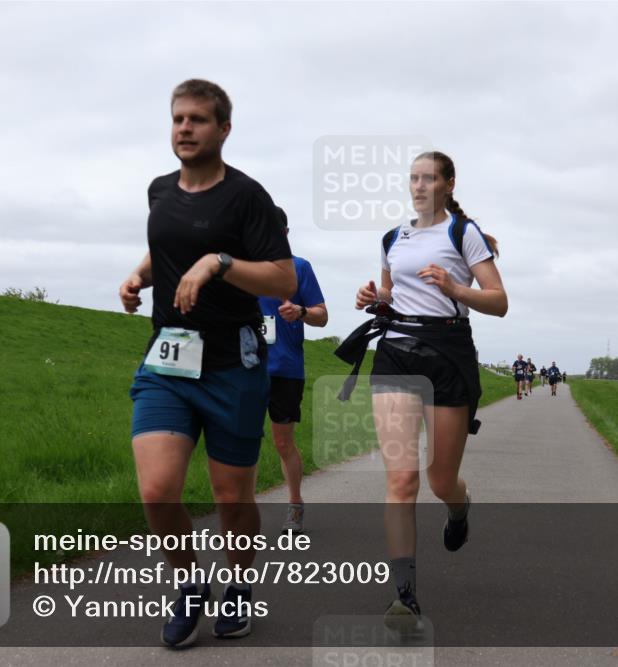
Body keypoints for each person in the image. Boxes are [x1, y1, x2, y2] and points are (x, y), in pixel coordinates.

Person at [118, 79, 296, 649]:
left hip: (231, 366)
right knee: (157, 490)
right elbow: (167, 243)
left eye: (197, 119)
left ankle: (240, 587)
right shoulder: (158, 190)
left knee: (230, 498)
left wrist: (218, 262)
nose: (184, 128)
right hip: (167, 362)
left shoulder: (249, 197)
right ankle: (191, 584)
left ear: (223, 128)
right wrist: (139, 276)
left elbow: (281, 277)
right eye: (177, 119)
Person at [337, 150, 507, 632]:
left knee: (439, 480)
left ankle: (459, 506)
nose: (418, 186)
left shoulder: (463, 234)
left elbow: (499, 302)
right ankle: (404, 596)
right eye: (412, 178)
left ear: (449, 184)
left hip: (447, 353)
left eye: (428, 178)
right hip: (395, 351)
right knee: (402, 481)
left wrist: (455, 287)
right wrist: (374, 297)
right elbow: (393, 294)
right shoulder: (394, 236)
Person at [258, 207, 328, 535]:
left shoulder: (300, 268)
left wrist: (300, 311)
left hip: (285, 369)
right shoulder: (244, 270)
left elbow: (322, 315)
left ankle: (295, 504)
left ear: (285, 233)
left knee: (283, 443)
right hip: (245, 367)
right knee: (238, 440)